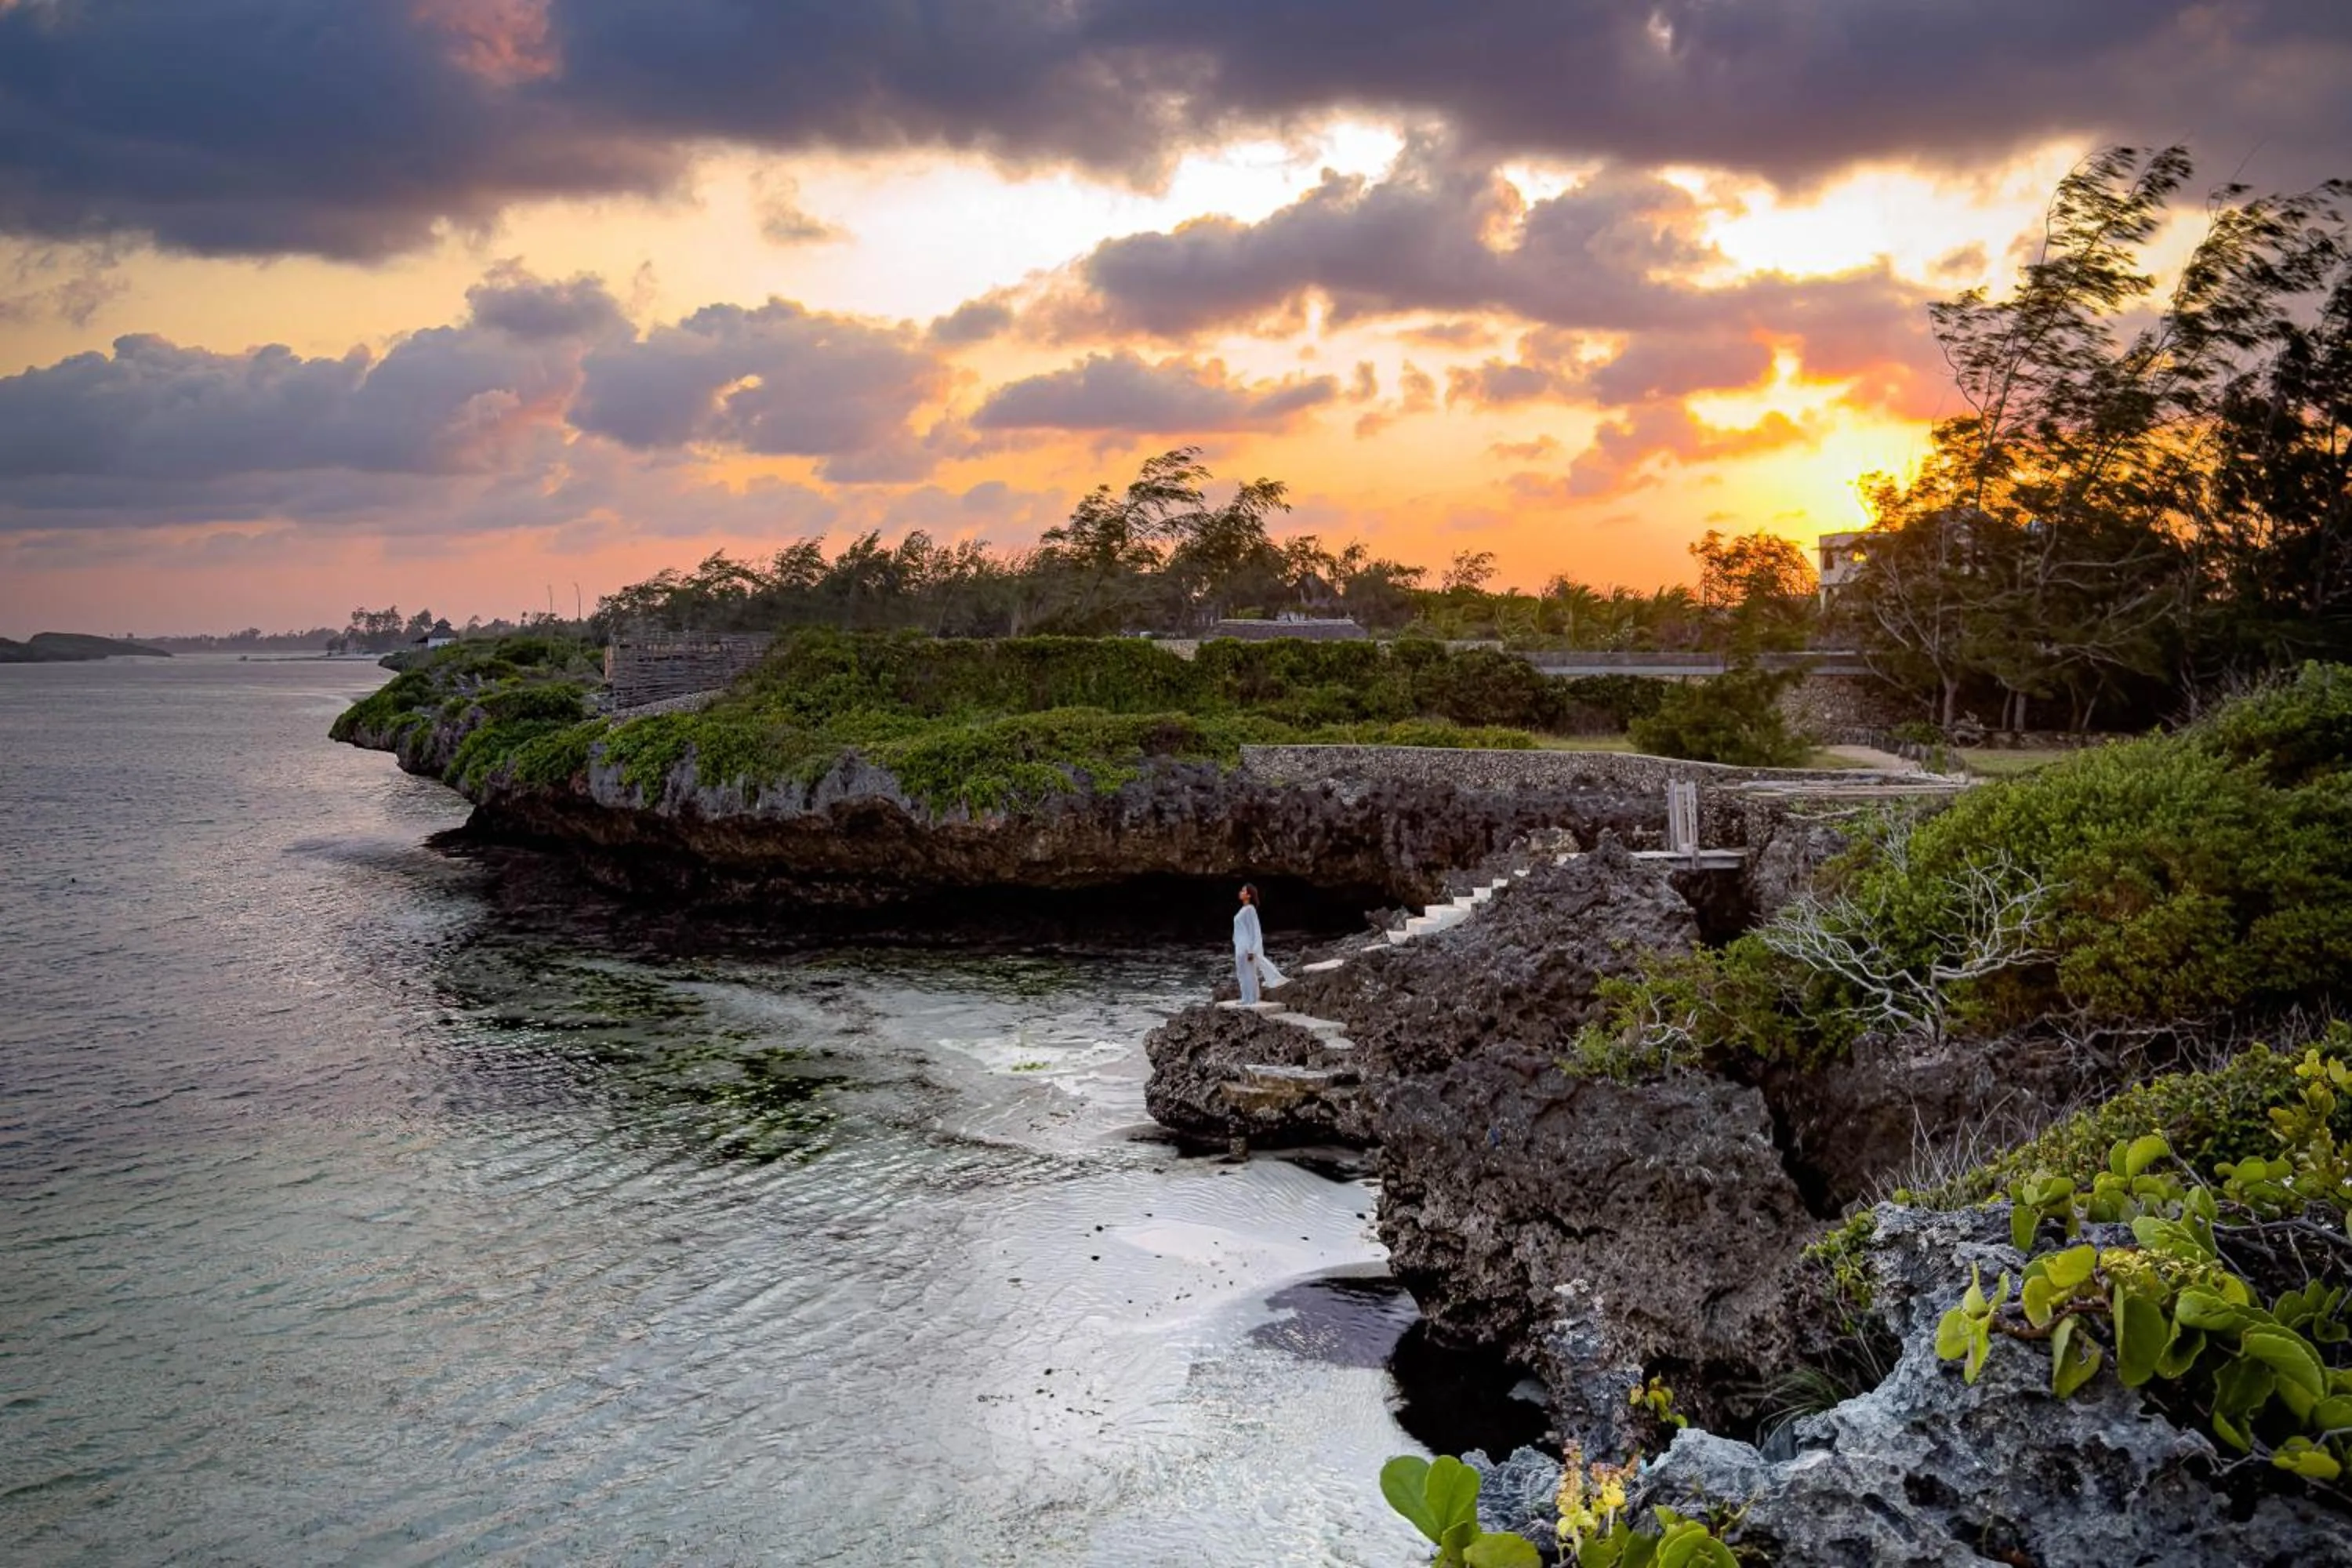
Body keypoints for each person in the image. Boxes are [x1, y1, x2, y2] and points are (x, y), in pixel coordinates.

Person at [1232, 884, 1287, 1002]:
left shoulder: (1250, 910)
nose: (1240, 892)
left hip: (1246, 947)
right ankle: (1245, 998)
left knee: (1250, 973)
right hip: (1240, 946)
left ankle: (1252, 998)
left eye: (1243, 891)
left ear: (1249, 895)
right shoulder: (1243, 909)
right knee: (1241, 973)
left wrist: (1251, 950)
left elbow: (1254, 931)